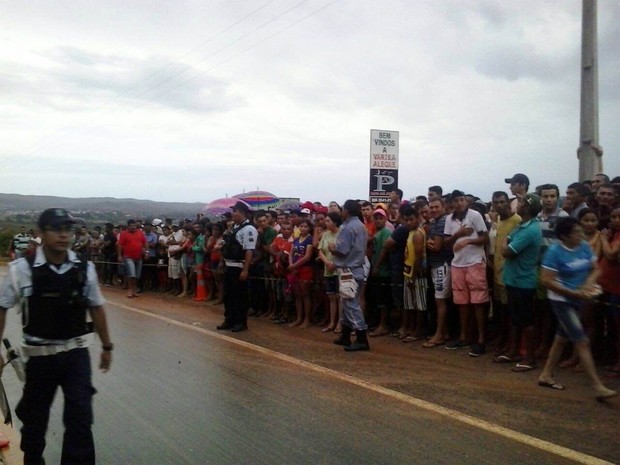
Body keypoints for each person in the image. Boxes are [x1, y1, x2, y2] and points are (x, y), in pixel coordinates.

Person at [0, 208, 113, 465]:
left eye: (68, 229)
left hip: (76, 356)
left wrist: (108, 347)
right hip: (40, 359)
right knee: (35, 420)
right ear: (41, 233)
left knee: (80, 418)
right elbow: (1, 309)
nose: (64, 235)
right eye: (56, 229)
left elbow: (96, 307)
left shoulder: (85, 269)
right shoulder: (21, 271)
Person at [538, 217, 617, 400]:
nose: (581, 234)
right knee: (581, 341)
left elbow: (595, 269)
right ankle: (597, 386)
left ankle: (546, 375)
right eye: (577, 232)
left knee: (561, 338)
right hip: (561, 300)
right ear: (564, 236)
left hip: (579, 297)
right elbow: (546, 280)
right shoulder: (554, 252)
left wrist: (587, 285)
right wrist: (575, 293)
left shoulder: (583, 246)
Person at [443, 190, 489, 356]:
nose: (460, 203)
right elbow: (446, 243)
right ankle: (464, 337)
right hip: (458, 263)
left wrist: (469, 240)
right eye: (456, 201)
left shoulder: (475, 215)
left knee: (478, 302)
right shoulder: (449, 219)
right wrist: (459, 234)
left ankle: (481, 339)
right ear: (452, 204)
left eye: (462, 200)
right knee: (462, 302)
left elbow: (485, 238)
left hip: (475, 262)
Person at [499, 194, 542, 371]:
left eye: (522, 202)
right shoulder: (522, 225)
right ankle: (513, 352)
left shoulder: (530, 230)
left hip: (524, 282)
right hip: (514, 279)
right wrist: (506, 243)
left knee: (526, 321)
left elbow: (508, 251)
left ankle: (529, 358)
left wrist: (504, 244)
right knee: (516, 319)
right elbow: (508, 239)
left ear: (528, 207)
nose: (519, 204)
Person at [330, 200, 370, 351]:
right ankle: (345, 335)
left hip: (348, 269)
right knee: (347, 302)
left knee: (351, 304)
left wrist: (333, 248)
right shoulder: (361, 226)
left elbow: (342, 250)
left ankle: (361, 338)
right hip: (357, 268)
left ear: (346, 211)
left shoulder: (348, 227)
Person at [217, 202, 258, 332]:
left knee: (240, 296)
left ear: (242, 213)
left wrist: (245, 269)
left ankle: (241, 322)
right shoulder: (234, 227)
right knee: (228, 296)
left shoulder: (249, 229)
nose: (233, 214)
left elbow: (249, 251)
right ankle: (229, 320)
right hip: (229, 265)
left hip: (239, 267)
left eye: (235, 211)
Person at [117, 219, 147, 298]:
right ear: (128, 226)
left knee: (137, 275)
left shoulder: (140, 233)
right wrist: (119, 255)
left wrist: (147, 252)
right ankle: (130, 290)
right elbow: (120, 245)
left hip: (139, 257)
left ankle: (134, 290)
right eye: (131, 226)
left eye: (134, 225)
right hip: (128, 257)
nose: (133, 227)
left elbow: (145, 243)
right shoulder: (124, 234)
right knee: (131, 274)